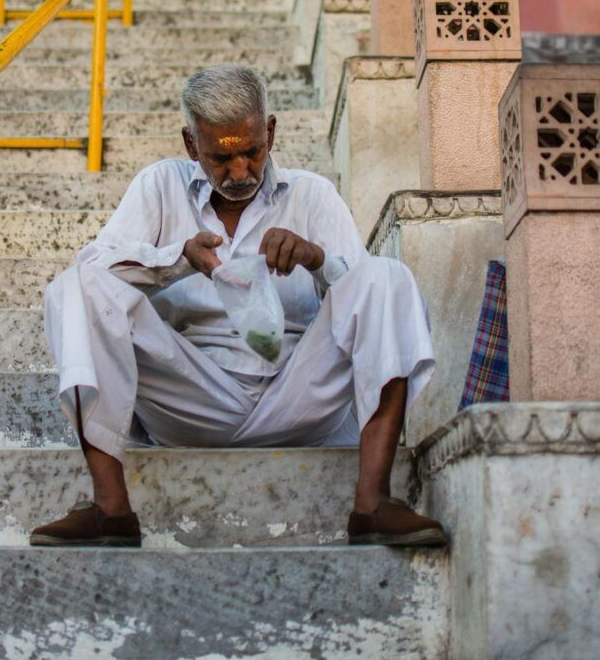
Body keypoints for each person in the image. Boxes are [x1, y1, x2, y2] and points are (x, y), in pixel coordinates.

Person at [32, 65, 446, 548]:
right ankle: (110, 511)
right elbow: (97, 269)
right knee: (75, 286)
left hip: (299, 393)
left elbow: (368, 305)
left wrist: (316, 260)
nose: (240, 172)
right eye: (220, 159)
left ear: (269, 131)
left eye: (251, 152)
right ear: (192, 146)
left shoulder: (313, 194)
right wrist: (175, 259)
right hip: (191, 395)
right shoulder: (159, 186)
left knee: (386, 275)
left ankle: (373, 504)